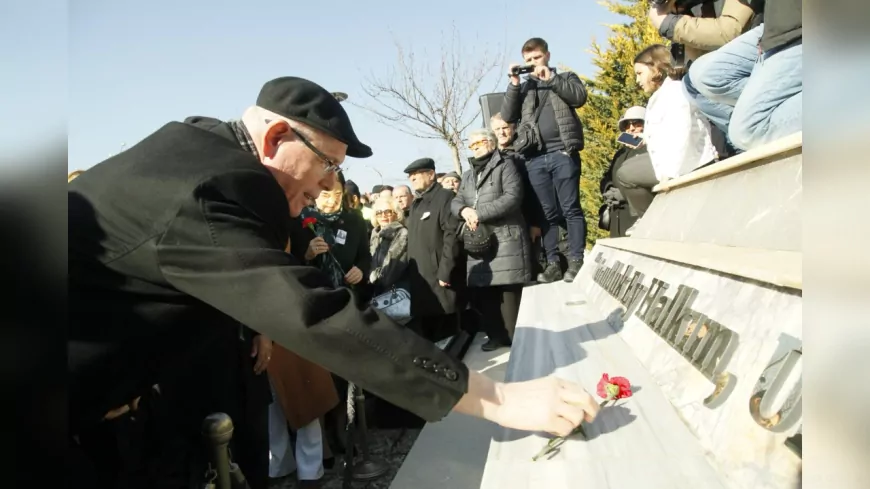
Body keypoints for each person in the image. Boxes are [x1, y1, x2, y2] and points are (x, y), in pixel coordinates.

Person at [69, 76, 600, 486]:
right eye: (326, 165)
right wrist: (499, 401)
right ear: (276, 137)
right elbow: (318, 314)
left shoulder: (203, 150)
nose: (330, 184)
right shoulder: (215, 188)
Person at [501, 37, 589, 283]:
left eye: (536, 58)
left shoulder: (566, 78)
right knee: (547, 214)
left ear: (547, 56)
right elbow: (507, 115)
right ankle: (553, 263)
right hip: (535, 158)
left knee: (571, 208)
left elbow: (579, 97)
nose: (532, 63)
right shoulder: (525, 88)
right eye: (528, 60)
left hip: (563, 152)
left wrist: (550, 78)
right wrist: (514, 83)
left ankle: (576, 259)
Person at [452, 129, 532, 351]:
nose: (476, 146)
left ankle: (517, 340)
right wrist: (464, 210)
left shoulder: (505, 165)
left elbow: (512, 197)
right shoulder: (468, 175)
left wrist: (480, 213)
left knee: (508, 294)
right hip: (479, 241)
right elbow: (456, 201)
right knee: (486, 294)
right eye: (472, 144)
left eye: (480, 142)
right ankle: (495, 336)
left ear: (492, 143)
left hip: (506, 239)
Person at [683, 0, 801, 152]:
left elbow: (728, 29)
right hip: (776, 23)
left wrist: (670, 24)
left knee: (746, 132)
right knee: (703, 75)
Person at [633, 44, 717, 182]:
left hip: (694, 170)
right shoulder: (660, 96)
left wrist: (670, 177)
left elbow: (681, 132)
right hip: (680, 172)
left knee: (626, 176)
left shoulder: (675, 91)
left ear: (656, 67)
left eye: (640, 73)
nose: (638, 80)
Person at [404, 157, 464, 343]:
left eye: (416, 175)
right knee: (428, 337)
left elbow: (451, 236)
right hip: (421, 282)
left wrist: (445, 271)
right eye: (410, 176)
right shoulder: (416, 203)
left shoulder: (445, 197)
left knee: (446, 337)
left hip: (440, 279)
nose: (412, 179)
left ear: (431, 174)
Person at [601, 106, 653, 236]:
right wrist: (609, 190)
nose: (631, 128)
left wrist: (623, 194)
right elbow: (606, 176)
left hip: (638, 217)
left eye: (637, 123)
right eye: (627, 125)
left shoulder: (651, 150)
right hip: (617, 218)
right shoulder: (619, 154)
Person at [369, 196, 409, 296]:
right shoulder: (375, 234)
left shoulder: (402, 234)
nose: (383, 216)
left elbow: (391, 271)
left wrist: (372, 277)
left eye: (388, 212)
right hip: (374, 292)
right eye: (379, 213)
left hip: (393, 294)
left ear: (396, 214)